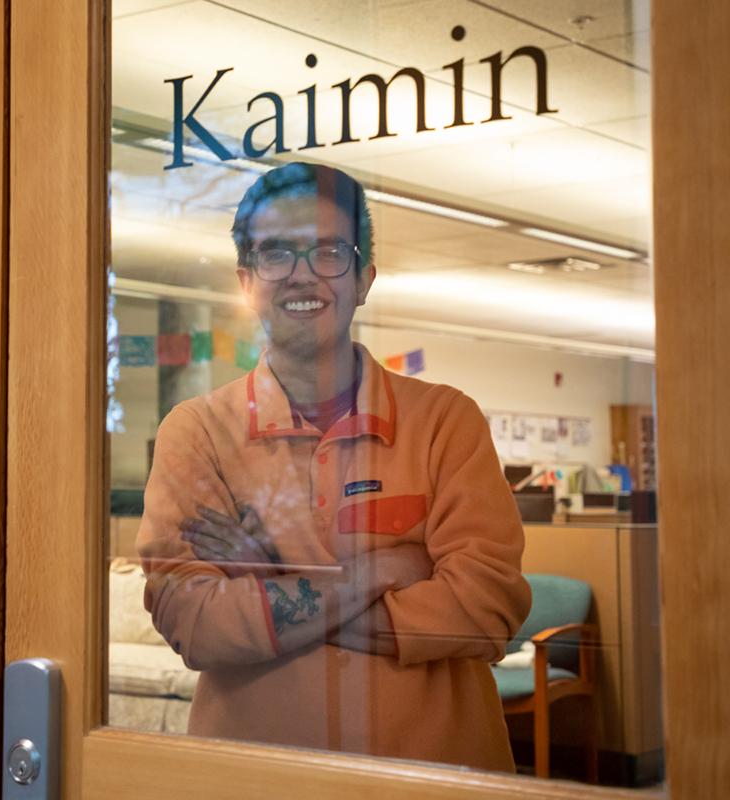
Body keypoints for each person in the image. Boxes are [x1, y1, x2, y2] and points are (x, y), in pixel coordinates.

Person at [136, 163, 531, 770]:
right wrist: (382, 571)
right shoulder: (198, 432)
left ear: (364, 277)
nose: (302, 274)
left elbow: (487, 612)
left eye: (328, 251)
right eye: (276, 253)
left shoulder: (446, 422)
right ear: (247, 282)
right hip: (254, 778)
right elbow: (194, 623)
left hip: (436, 774)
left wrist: (270, 579)